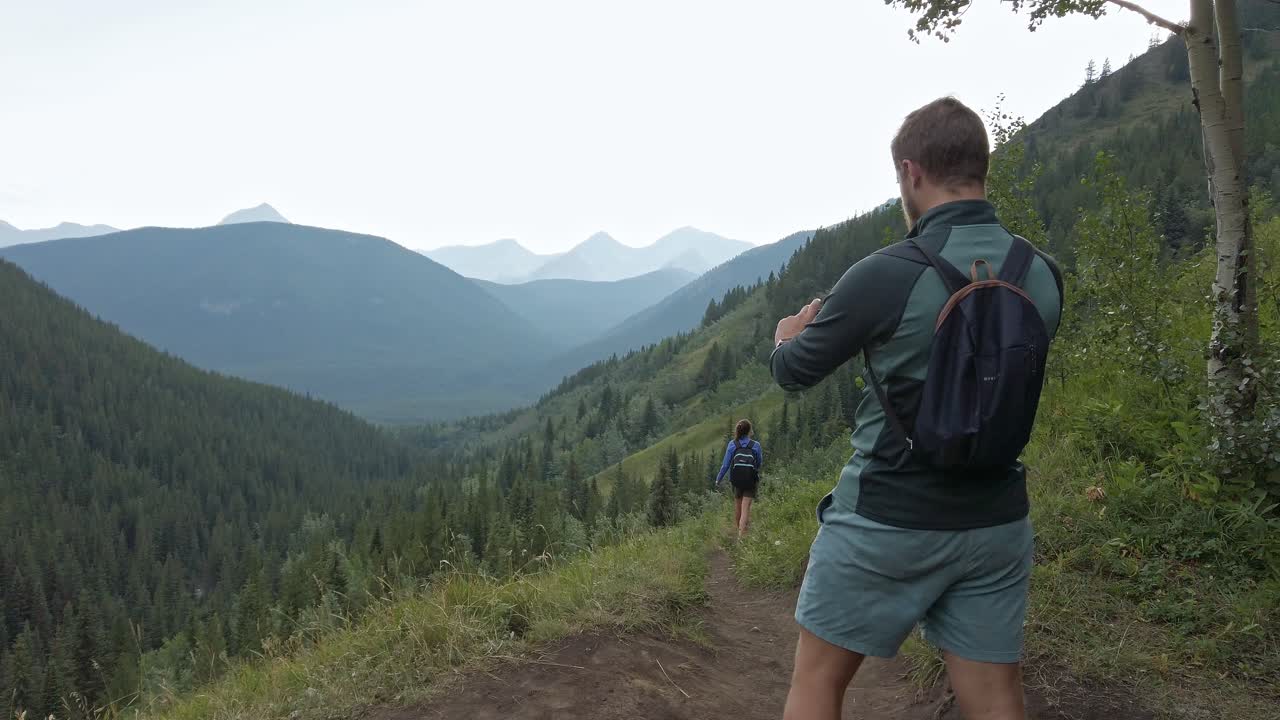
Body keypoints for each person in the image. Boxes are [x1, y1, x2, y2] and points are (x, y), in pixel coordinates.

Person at [770, 97, 1064, 720]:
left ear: (911, 172)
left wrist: (785, 336)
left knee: (818, 682)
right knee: (995, 699)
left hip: (886, 518)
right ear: (982, 167)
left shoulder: (886, 274)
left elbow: (794, 373)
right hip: (996, 523)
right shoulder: (1042, 274)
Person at [714, 419, 763, 538]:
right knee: (745, 509)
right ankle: (742, 536)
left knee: (738, 507)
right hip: (750, 480)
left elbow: (725, 465)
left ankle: (740, 530)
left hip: (737, 480)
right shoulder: (755, 445)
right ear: (749, 431)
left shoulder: (733, 444)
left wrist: (718, 479)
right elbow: (759, 463)